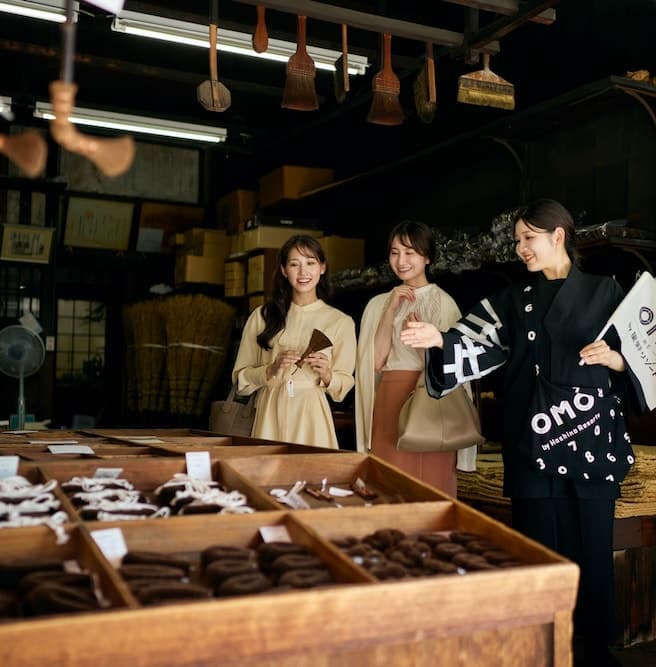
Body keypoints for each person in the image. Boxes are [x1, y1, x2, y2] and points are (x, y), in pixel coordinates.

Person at [400, 199, 631, 667]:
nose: (521, 248)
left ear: (558, 235)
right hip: (532, 437)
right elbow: (475, 341)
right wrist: (440, 340)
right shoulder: (513, 298)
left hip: (589, 436)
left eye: (528, 238)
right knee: (538, 546)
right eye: (517, 240)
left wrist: (616, 360)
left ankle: (594, 649)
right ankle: (541, 644)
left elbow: (647, 356)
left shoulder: (606, 291)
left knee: (592, 546)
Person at [354, 221, 476, 498]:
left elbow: (456, 364)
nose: (401, 261)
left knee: (432, 481)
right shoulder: (377, 304)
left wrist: (424, 341)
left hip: (433, 399)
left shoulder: (444, 302)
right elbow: (375, 362)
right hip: (390, 397)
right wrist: (390, 311)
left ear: (427, 257)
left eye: (410, 252)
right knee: (389, 481)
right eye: (395, 252)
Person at [232, 235, 355, 449]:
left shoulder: (340, 321)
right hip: (269, 412)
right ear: (283, 270)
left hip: (312, 415)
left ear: (322, 268)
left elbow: (343, 385)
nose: (303, 272)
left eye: (310, 263)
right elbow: (240, 380)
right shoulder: (262, 316)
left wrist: (327, 374)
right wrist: (271, 370)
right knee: (267, 468)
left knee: (310, 468)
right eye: (294, 264)